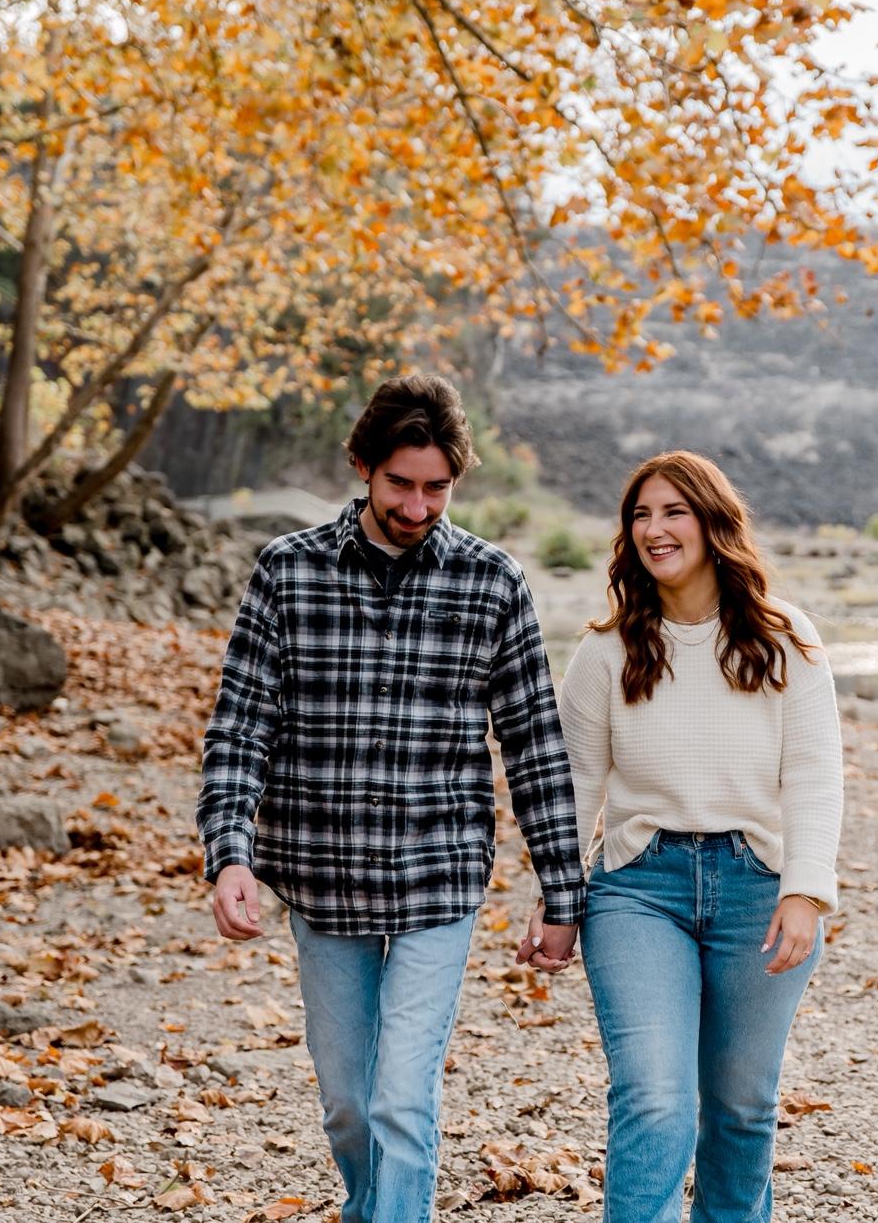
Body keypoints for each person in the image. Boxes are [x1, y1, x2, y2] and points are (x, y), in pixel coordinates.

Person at [196, 374, 583, 1223]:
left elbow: (533, 745)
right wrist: (230, 853)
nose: (417, 506)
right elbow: (240, 726)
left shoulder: (493, 581)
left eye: (436, 488)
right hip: (321, 877)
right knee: (349, 1104)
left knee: (402, 1099)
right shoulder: (289, 570)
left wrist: (562, 891)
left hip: (437, 878)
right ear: (363, 467)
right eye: (400, 484)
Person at [546, 449, 843, 1223]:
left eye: (673, 511)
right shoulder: (605, 652)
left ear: (714, 524)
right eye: (640, 515)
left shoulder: (785, 639)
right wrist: (557, 900)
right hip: (639, 890)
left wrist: (806, 892)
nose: (655, 529)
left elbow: (815, 775)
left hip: (758, 889)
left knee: (742, 1107)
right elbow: (576, 786)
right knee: (654, 1098)